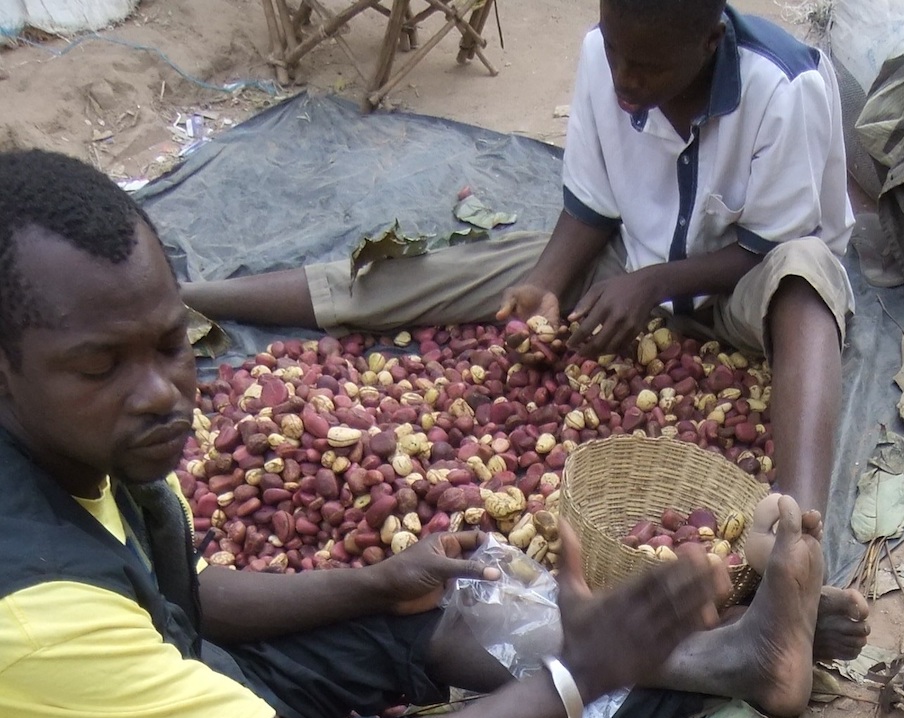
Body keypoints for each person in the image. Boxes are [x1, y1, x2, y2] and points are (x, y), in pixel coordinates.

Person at [0, 151, 866, 718]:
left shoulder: (96, 455)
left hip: (158, 703)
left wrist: (374, 584)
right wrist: (576, 675)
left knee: (443, 605)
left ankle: (714, 649)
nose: (160, 392)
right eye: (99, 366)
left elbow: (182, 597)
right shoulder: (34, 611)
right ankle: (660, 670)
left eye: (169, 345)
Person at [182, 0, 855, 520]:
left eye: (647, 68)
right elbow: (592, 206)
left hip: (739, 287)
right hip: (635, 264)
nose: (623, 78)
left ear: (709, 43)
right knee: (460, 273)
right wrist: (544, 286)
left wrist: (652, 286)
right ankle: (192, 296)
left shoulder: (783, 87)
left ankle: (797, 534)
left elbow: (765, 248)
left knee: (808, 277)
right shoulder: (606, 55)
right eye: (615, 50)